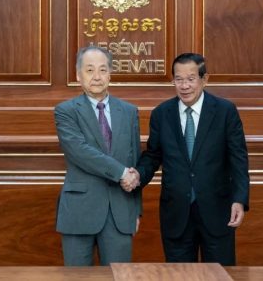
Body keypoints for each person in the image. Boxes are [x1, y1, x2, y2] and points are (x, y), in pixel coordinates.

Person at [136, 53, 249, 265]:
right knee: (179, 276)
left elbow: (238, 159)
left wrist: (239, 199)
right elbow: (153, 155)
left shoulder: (225, 111)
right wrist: (136, 176)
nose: (184, 86)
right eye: (178, 79)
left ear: (204, 79)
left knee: (219, 275)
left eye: (191, 79)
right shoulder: (161, 113)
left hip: (217, 211)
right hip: (176, 213)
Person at [55, 46, 142, 266]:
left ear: (110, 74)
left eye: (103, 70)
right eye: (89, 70)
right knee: (78, 278)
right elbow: (80, 152)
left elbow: (134, 161)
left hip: (120, 212)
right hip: (79, 211)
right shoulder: (66, 111)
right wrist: (121, 172)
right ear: (78, 75)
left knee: (119, 277)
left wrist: (135, 211)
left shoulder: (129, 111)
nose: (97, 76)